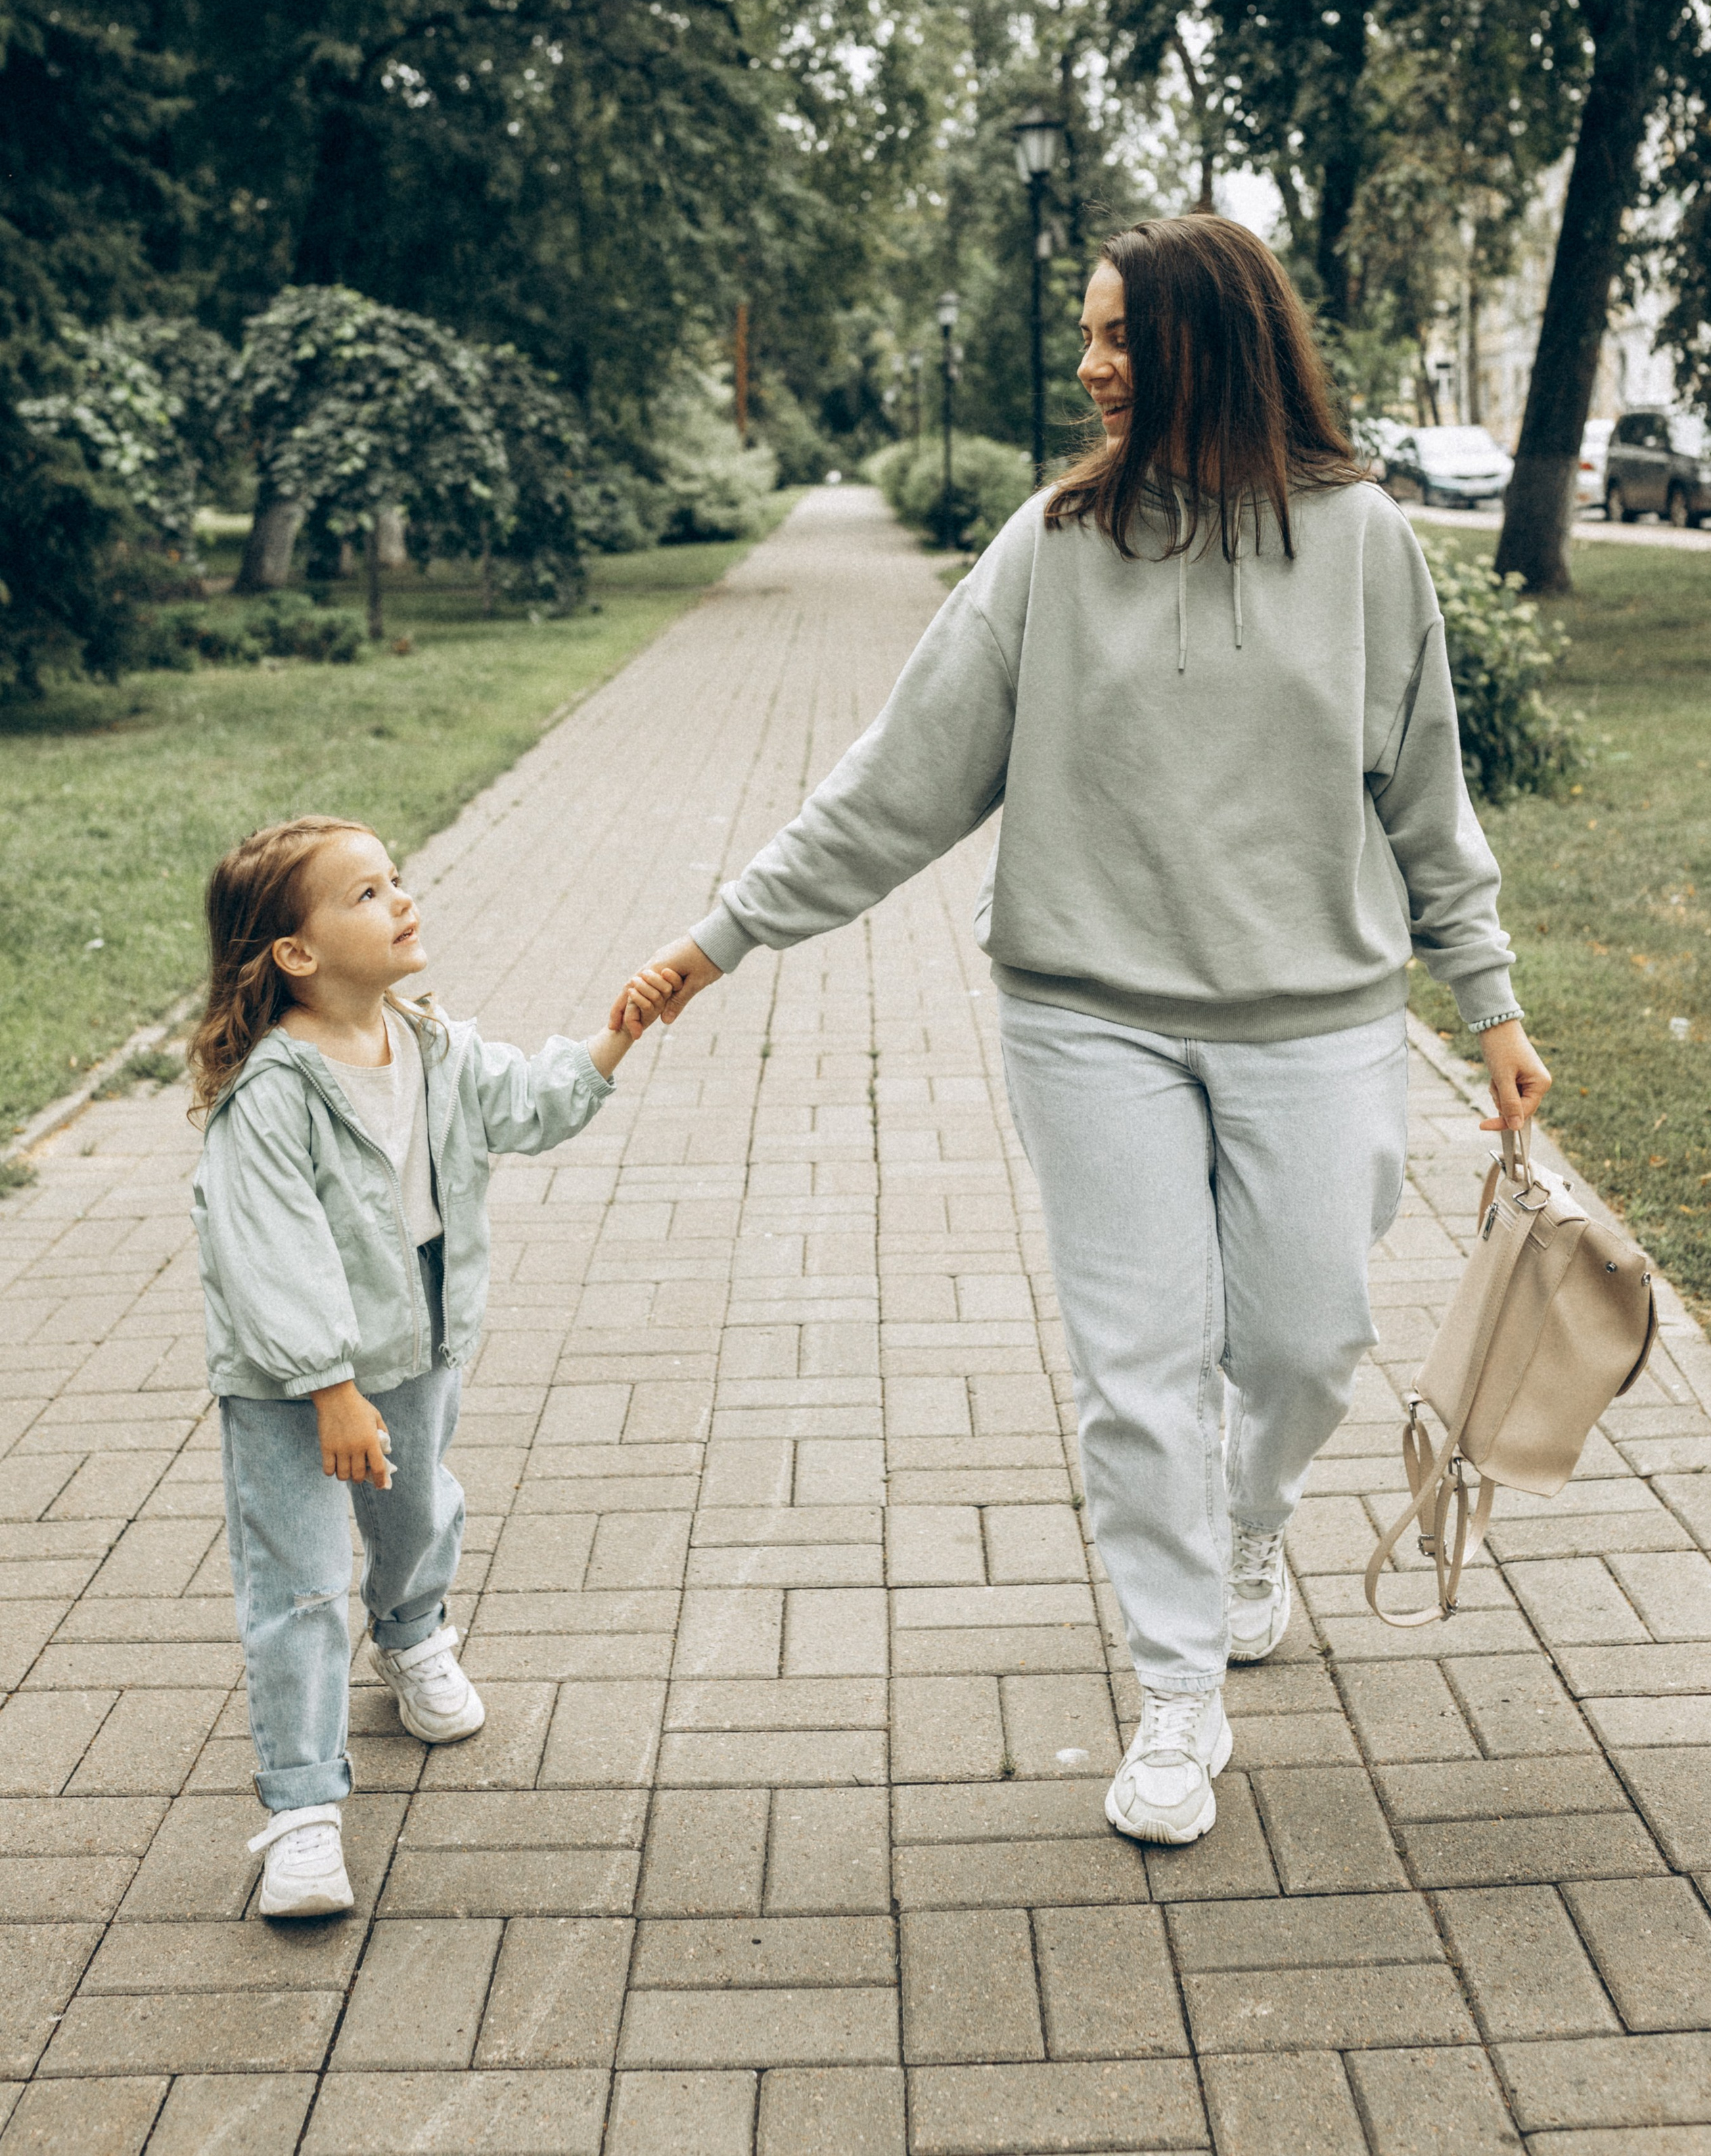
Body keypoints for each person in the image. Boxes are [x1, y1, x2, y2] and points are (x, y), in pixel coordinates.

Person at [615, 215, 1549, 1847]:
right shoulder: (1051, 545)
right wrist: (722, 937)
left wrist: (1487, 997)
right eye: (1088, 335)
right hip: (1088, 1016)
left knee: (1307, 1339)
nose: (1090, 363)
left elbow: (1423, 793)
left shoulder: (1361, 545)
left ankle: (1247, 1522)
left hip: (1315, 1015)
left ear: (1207, 342)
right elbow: (897, 780)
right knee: (1137, 1370)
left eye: (1119, 335)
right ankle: (1176, 1690)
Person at [188, 814, 672, 1917]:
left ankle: (411, 1642)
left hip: (414, 1337)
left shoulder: (427, 1041)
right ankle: (305, 1811)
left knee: (418, 1518)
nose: (401, 899)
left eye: (394, 880)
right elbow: (270, 1253)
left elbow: (520, 1105)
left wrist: (614, 1039)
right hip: (292, 1377)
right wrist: (331, 1390)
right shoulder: (272, 1094)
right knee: (301, 1578)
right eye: (363, 894)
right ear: (294, 956)